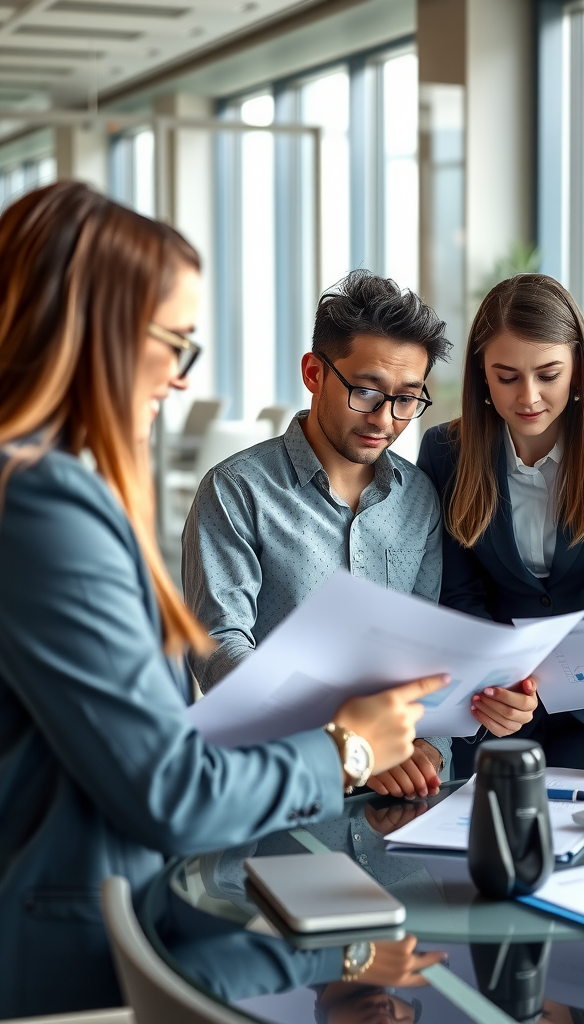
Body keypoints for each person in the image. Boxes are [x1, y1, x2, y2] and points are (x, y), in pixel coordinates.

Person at [0, 182, 446, 1017]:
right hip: (73, 949)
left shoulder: (57, 485)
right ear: (92, 330)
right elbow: (168, 786)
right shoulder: (40, 500)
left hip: (153, 901)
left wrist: (338, 950)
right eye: (173, 341)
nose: (178, 377)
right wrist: (347, 748)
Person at [184, 271, 466, 800]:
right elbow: (219, 650)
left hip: (399, 796)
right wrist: (347, 745)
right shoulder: (236, 490)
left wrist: (429, 746)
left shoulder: (420, 497)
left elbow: (426, 648)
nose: (385, 418)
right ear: (314, 373)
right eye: (366, 391)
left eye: (408, 399)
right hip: (276, 784)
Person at [418, 274, 584, 773]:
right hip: (493, 710)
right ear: (482, 375)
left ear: (578, 371)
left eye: (548, 374)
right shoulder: (444, 451)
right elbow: (458, 593)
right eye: (507, 376)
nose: (528, 397)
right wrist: (495, 683)